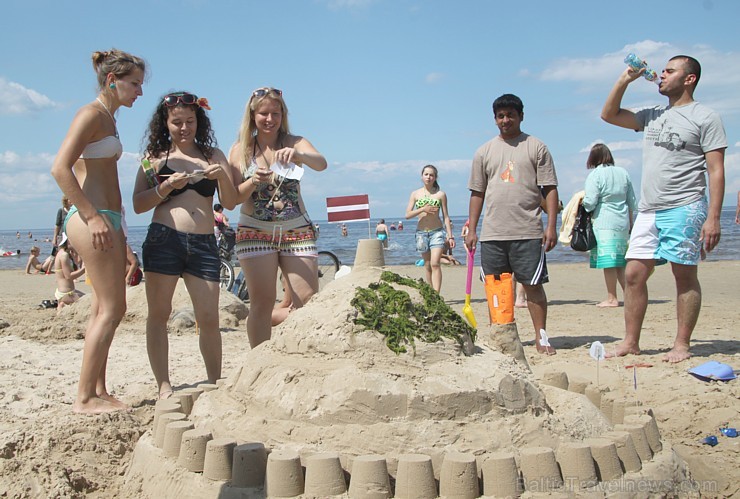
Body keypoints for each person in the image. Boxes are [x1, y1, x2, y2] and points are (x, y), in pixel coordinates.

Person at [601, 55, 726, 362]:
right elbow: (609, 114)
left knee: (683, 275)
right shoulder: (653, 115)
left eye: (670, 71)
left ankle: (681, 344)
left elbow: (716, 170)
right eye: (663, 71)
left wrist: (713, 218)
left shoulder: (705, 116)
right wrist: (625, 79)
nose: (662, 75)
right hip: (649, 209)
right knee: (633, 274)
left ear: (689, 79)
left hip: (686, 205)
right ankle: (631, 341)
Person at [50, 49, 145, 413]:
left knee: (101, 308)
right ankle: (85, 397)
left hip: (108, 218)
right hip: (94, 218)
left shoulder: (109, 117)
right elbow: (60, 168)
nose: (139, 91)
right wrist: (90, 216)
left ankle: (100, 388)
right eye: (134, 83)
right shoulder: (90, 114)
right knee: (113, 308)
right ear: (112, 80)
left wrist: (124, 241)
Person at [133, 91, 236, 399]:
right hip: (165, 238)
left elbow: (230, 201)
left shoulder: (213, 155)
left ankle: (214, 381)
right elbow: (139, 204)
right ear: (165, 123)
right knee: (159, 314)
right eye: (176, 122)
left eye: (189, 121)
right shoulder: (154, 157)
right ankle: (164, 384)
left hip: (204, 242)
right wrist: (165, 187)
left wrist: (224, 178)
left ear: (198, 121)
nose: (183, 128)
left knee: (209, 317)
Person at [228, 87, 327, 348]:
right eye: (263, 113)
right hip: (255, 230)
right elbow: (232, 198)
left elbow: (321, 163)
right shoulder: (240, 150)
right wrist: (252, 182)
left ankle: (303, 355)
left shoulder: (294, 141)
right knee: (261, 302)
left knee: (307, 300)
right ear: (253, 115)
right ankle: (258, 360)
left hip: (297, 229)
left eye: (276, 113)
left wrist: (299, 155)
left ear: (283, 114)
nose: (270, 119)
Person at [465, 94, 560, 354]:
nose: (505, 120)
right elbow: (477, 193)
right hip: (493, 233)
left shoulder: (536, 146)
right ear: (495, 119)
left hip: (528, 230)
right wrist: (472, 229)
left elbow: (550, 189)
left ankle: (541, 337)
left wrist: (551, 226)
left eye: (510, 115)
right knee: (497, 289)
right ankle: (504, 335)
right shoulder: (483, 152)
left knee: (533, 286)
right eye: (500, 116)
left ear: (521, 116)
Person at [581, 143, 637, 307]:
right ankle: (630, 295)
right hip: (622, 221)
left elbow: (590, 202)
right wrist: (631, 222)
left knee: (609, 263)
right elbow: (632, 202)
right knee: (620, 261)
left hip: (604, 221)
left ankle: (612, 297)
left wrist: (581, 202)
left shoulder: (595, 175)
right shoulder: (623, 173)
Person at [406, 164, 455, 293]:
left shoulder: (440, 195)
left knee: (435, 263)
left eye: (431, 175)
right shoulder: (415, 194)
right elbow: (407, 215)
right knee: (427, 265)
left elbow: (446, 216)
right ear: (422, 176)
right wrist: (423, 209)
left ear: (435, 177)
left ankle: (437, 294)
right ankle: (431, 292)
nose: (428, 177)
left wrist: (450, 236)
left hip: (437, 232)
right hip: (421, 233)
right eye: (426, 174)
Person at [54, 235, 86, 314]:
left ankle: (63, 303)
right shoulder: (64, 255)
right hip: (66, 293)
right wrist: (84, 269)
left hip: (64, 292)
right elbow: (69, 276)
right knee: (90, 300)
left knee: (87, 296)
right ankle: (63, 304)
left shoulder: (61, 253)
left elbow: (76, 263)